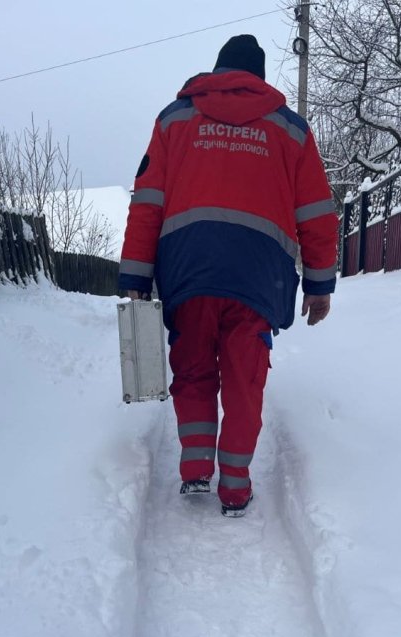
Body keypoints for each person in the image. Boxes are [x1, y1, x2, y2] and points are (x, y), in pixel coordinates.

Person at [118, 34, 338, 517]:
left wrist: (135, 275)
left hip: (188, 267)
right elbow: (317, 213)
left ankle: (196, 467)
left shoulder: (174, 120)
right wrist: (319, 285)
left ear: (217, 72)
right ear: (258, 79)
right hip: (259, 276)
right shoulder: (291, 130)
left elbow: (147, 203)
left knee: (193, 366)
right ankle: (235, 487)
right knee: (245, 378)